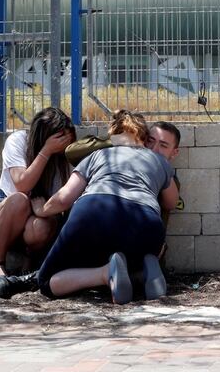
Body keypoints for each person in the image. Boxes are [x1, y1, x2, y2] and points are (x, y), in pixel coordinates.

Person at [32, 110, 179, 304]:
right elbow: (172, 202)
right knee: (133, 250)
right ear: (144, 137)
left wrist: (42, 209)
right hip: (146, 225)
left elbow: (64, 199)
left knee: (46, 281)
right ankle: (143, 270)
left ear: (112, 135)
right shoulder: (159, 160)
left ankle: (104, 273)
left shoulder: (97, 155)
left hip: (94, 214)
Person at [0, 107, 75, 295]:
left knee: (42, 226)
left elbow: (65, 202)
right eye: (59, 139)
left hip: (39, 215)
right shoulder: (18, 141)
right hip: (6, 214)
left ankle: (30, 262)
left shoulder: (65, 156)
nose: (64, 144)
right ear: (43, 136)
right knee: (19, 200)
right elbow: (22, 184)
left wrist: (44, 210)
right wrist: (46, 151)